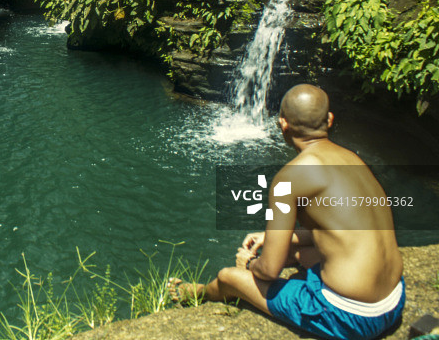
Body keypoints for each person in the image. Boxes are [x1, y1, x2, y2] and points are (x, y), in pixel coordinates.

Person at [170, 84, 405, 340]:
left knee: (229, 277)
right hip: (393, 301)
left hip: (350, 317)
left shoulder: (288, 179)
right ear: (329, 119)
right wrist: (275, 237)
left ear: (283, 124)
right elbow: (337, 230)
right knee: (294, 253)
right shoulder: (354, 160)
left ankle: (198, 292)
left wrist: (250, 264)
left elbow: (269, 270)